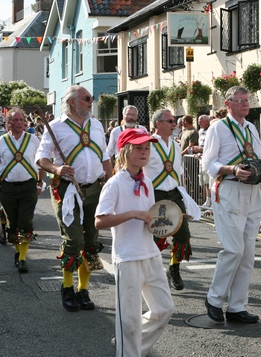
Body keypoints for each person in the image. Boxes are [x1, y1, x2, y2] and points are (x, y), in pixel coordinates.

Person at [95, 129, 173, 357]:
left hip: (150, 253)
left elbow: (148, 218)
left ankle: (129, 344)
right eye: (139, 148)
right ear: (126, 151)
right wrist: (131, 214)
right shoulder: (114, 183)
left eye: (147, 148)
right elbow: (99, 221)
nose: (144, 152)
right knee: (128, 319)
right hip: (127, 257)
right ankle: (127, 350)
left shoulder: (147, 180)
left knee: (164, 309)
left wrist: (165, 225)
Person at [37, 85, 113, 312]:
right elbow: (40, 158)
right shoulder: (56, 127)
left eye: (91, 97)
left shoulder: (97, 125)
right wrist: (57, 169)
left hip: (94, 190)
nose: (91, 101)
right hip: (68, 190)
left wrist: (113, 183)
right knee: (74, 241)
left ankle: (83, 290)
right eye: (87, 98)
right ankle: (67, 287)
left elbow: (106, 157)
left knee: (90, 241)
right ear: (72, 102)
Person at [201, 86, 261, 324]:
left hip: (253, 191)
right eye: (239, 101)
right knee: (234, 249)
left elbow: (258, 155)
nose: (245, 104)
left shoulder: (251, 127)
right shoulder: (218, 127)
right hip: (229, 190)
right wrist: (233, 169)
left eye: (247, 100)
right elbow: (208, 163)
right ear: (228, 104)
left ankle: (237, 306)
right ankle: (214, 299)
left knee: (247, 253)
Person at [144, 109, 200, 291]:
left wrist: (183, 192)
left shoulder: (176, 146)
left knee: (183, 234)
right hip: (155, 194)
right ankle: (151, 273)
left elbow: (179, 171)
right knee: (153, 235)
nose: (174, 124)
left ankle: (174, 268)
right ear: (158, 123)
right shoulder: (148, 144)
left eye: (174, 121)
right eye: (170, 121)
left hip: (174, 193)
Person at [0, 108, 43, 274]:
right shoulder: (0, 142)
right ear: (8, 123)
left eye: (21, 120)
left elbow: (41, 162)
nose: (19, 123)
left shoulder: (33, 140)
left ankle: (22, 258)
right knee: (12, 224)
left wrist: (40, 183)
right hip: (7, 188)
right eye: (15, 120)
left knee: (25, 222)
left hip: (28, 186)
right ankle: (18, 251)